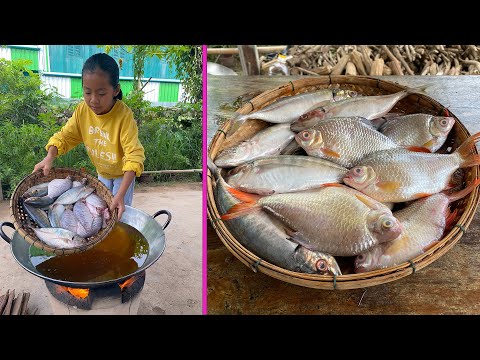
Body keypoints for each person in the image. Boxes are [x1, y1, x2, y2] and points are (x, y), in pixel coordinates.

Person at [33, 53, 145, 220]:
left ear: (115, 90)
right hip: (102, 172)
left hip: (123, 174)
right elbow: (65, 136)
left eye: (101, 93)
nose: (93, 100)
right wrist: (50, 157)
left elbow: (134, 156)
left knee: (118, 211)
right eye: (87, 92)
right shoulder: (82, 111)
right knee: (101, 211)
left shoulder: (123, 116)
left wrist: (121, 195)